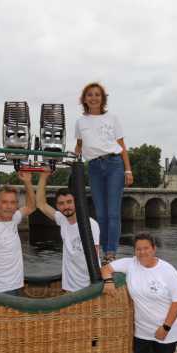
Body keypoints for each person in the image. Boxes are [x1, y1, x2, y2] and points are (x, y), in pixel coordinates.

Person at [74, 82, 133, 264]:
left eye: (97, 94)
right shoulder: (80, 122)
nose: (93, 98)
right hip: (94, 167)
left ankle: (110, 252)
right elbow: (79, 146)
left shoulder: (112, 118)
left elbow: (122, 146)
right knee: (100, 214)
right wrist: (69, 161)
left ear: (103, 98)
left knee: (113, 213)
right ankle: (102, 250)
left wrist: (128, 169)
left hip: (114, 164)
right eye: (90, 95)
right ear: (85, 99)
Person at [36, 170, 101, 292]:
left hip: (87, 286)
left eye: (69, 202)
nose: (66, 206)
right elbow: (41, 204)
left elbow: (94, 256)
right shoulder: (62, 220)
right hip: (69, 287)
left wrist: (94, 286)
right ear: (57, 206)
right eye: (61, 203)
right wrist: (43, 177)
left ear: (76, 202)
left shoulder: (90, 224)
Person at [0, 172, 36, 295]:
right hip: (2, 290)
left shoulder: (13, 218)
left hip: (17, 285)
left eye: (13, 203)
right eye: (4, 202)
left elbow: (31, 207)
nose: (9, 207)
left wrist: (27, 182)